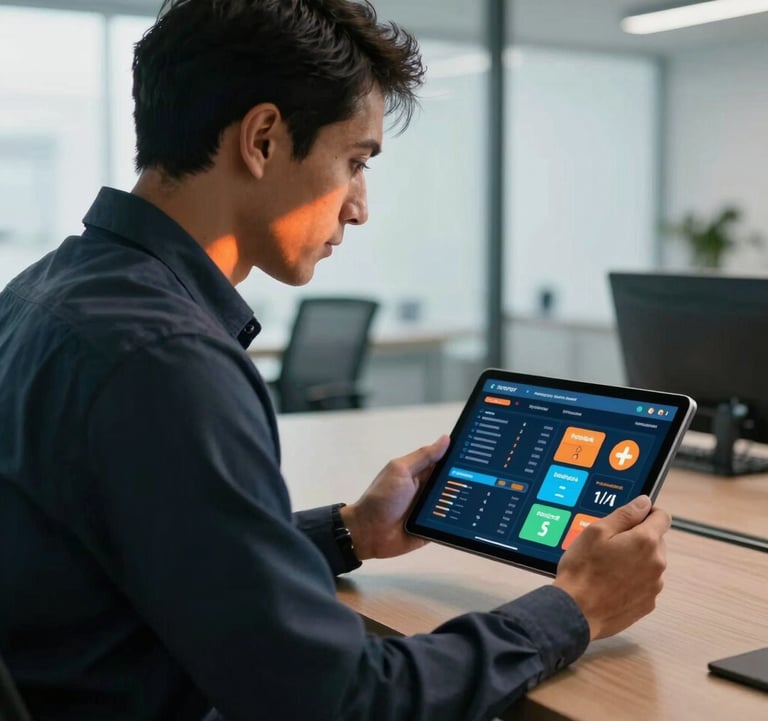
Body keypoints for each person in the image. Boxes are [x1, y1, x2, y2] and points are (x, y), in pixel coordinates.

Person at [0, 1, 671, 720]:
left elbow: (151, 553)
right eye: (354, 162)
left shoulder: (43, 292)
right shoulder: (168, 362)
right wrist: (573, 610)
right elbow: (341, 701)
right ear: (262, 139)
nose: (360, 207)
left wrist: (351, 530)